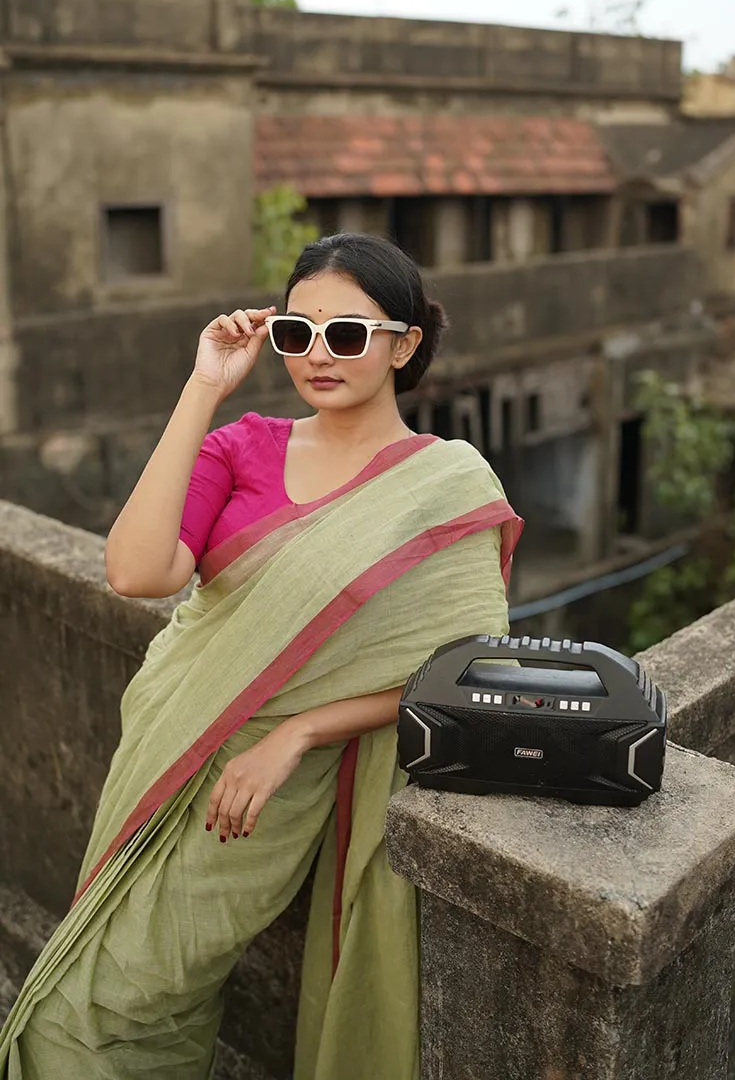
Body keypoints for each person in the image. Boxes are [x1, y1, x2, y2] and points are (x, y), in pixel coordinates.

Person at [0, 232, 522, 1080]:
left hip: (269, 796)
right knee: (98, 984)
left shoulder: (447, 485)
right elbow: (137, 570)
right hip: (168, 742)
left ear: (405, 344)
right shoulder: (240, 444)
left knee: (125, 999)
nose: (318, 356)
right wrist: (203, 387)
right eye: (296, 333)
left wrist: (302, 731)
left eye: (347, 334)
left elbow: (464, 671)